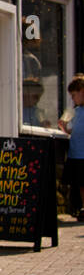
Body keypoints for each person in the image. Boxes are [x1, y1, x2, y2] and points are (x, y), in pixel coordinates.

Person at [57, 74, 84, 221]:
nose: (72, 99)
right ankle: (81, 208)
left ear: (82, 91)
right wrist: (63, 127)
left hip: (82, 153)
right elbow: (71, 129)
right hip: (76, 154)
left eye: (74, 95)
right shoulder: (77, 111)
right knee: (79, 184)